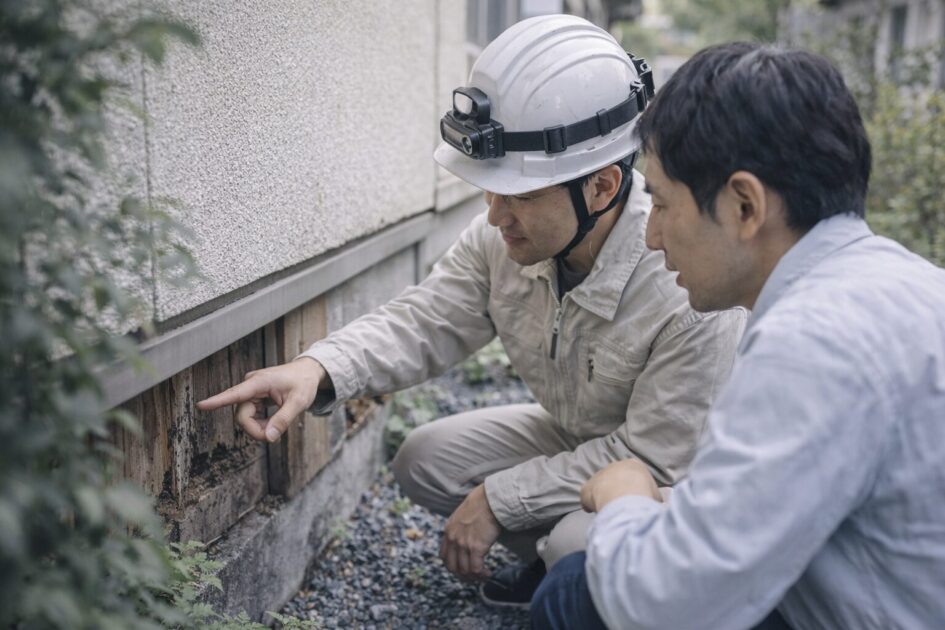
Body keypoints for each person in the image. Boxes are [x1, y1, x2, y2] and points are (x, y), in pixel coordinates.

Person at [197, 15, 745, 608]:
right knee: (424, 461)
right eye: (489, 188)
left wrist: (498, 500)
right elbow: (425, 319)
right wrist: (316, 368)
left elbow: (652, 458)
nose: (494, 216)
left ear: (602, 187)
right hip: (581, 435)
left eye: (521, 195)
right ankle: (561, 574)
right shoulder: (508, 241)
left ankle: (577, 585)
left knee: (574, 545)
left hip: (669, 481)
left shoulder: (685, 284)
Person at [531, 42, 945, 630]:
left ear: (745, 205)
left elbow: (662, 602)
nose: (652, 237)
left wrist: (625, 493)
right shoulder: (903, 282)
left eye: (663, 204)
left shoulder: (812, 343)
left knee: (576, 588)